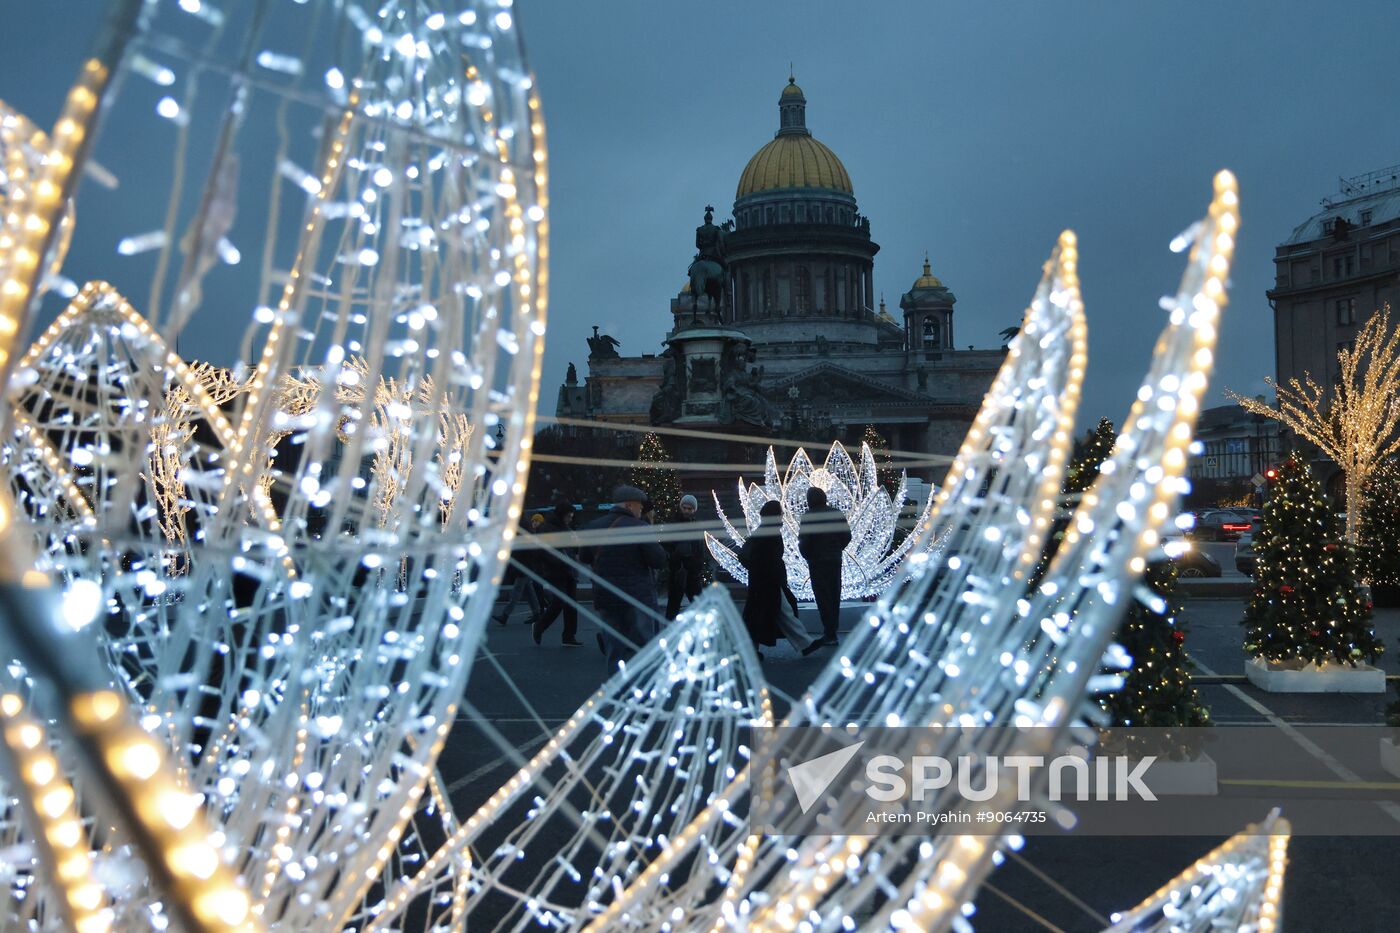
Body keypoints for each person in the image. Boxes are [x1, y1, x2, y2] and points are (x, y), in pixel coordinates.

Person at [578, 485, 666, 668]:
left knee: (614, 649)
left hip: (606, 597)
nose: (641, 509)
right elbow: (658, 560)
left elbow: (584, 556)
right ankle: (638, 692)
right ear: (629, 505)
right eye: (639, 506)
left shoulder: (594, 526)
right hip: (636, 598)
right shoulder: (640, 527)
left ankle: (617, 690)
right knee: (640, 649)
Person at [738, 501, 819, 658]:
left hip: (762, 582)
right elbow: (770, 559)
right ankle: (805, 643)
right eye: (780, 512)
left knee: (764, 614)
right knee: (780, 611)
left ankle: (804, 643)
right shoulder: (770, 533)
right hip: (769, 582)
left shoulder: (762, 532)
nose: (782, 515)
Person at [798, 486, 851, 646]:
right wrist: (837, 548)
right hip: (834, 559)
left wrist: (808, 556)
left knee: (822, 595)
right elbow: (847, 536)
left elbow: (804, 541)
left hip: (817, 561)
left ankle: (829, 631)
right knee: (834, 594)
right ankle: (832, 630)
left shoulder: (809, 516)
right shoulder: (836, 513)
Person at [532, 500, 583, 646]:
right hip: (555, 570)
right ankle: (541, 626)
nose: (570, 519)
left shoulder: (563, 527)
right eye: (569, 516)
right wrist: (558, 561)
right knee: (559, 602)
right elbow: (542, 550)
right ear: (562, 515)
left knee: (571, 604)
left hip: (567, 569)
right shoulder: (548, 528)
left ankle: (569, 635)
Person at [493, 513, 544, 625]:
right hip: (526, 565)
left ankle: (505, 615)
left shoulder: (521, 530)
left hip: (524, 565)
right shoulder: (525, 528)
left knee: (517, 592)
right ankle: (537, 613)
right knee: (529, 591)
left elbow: (521, 550)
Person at [664, 494, 706, 619]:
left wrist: (697, 564)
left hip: (692, 572)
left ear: (694, 510)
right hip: (678, 571)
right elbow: (667, 546)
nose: (686, 511)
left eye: (689, 509)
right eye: (684, 508)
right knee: (673, 605)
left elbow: (700, 548)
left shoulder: (696, 526)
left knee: (698, 605)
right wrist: (674, 558)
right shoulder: (673, 525)